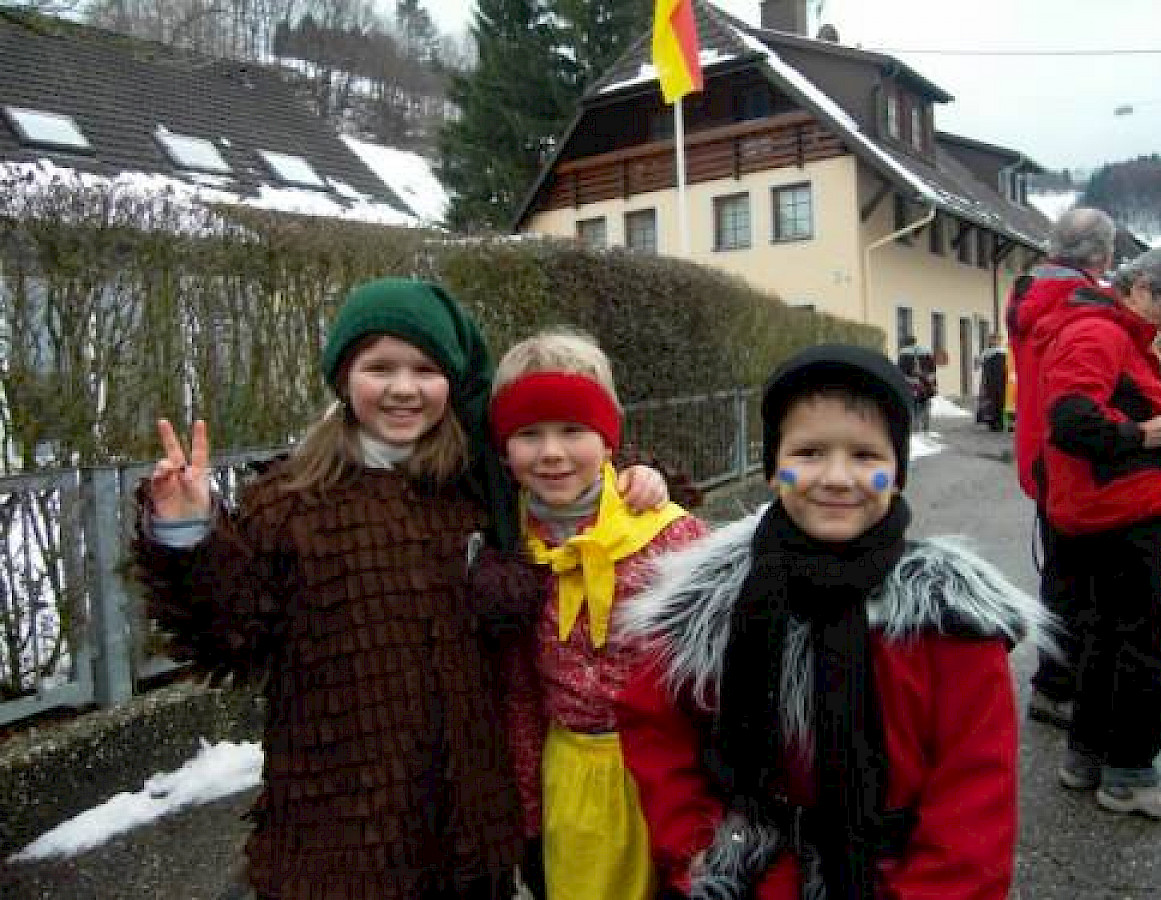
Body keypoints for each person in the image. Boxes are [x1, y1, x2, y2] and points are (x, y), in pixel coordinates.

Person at [128, 277, 669, 900]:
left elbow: (578, 500)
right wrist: (187, 533)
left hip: (471, 837)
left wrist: (640, 480)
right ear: (344, 378)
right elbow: (229, 639)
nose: (404, 388)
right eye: (380, 368)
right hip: (339, 838)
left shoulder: (481, 485)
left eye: (425, 369)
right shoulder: (291, 501)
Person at [616, 344, 1051, 899]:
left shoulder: (949, 624)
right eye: (809, 452)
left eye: (866, 456)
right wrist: (696, 847)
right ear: (774, 468)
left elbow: (975, 798)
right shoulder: (707, 605)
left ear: (897, 472)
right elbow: (657, 726)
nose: (837, 478)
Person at [484, 329, 708, 900]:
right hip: (571, 781)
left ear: (608, 440)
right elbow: (520, 693)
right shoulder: (508, 549)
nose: (551, 452)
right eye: (528, 434)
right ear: (505, 449)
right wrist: (529, 818)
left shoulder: (668, 536)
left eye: (573, 430)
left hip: (666, 777)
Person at [1038, 247, 1161, 821]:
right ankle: (1130, 775)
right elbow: (1071, 419)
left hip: (1106, 508)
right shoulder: (1099, 333)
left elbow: (1092, 407)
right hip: (1120, 510)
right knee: (1140, 643)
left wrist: (1160, 415)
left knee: (1105, 637)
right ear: (1142, 286)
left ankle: (1086, 758)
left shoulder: (1111, 332)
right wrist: (1143, 436)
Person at [1005, 206, 1116, 729]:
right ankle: (1058, 686)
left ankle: (1056, 683)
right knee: (1079, 581)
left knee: (1062, 574)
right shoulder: (1086, 304)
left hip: (1039, 451)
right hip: (1073, 455)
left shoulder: (1029, 294)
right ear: (1101, 256)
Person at [896, 336, 936, 432]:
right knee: (925, 403)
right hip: (925, 382)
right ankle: (925, 425)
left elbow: (900, 370)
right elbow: (932, 368)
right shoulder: (926, 352)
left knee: (912, 404)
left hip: (910, 382)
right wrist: (932, 382)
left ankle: (915, 427)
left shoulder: (903, 354)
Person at [976, 333, 1007, 432]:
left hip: (1000, 380)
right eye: (993, 340)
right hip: (991, 381)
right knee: (992, 401)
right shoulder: (987, 353)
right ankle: (993, 422)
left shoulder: (1004, 352)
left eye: (997, 340)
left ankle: (999, 422)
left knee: (999, 401)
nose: (995, 342)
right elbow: (979, 364)